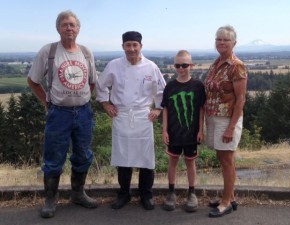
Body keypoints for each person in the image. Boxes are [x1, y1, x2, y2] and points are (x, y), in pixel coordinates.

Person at [27, 10, 98, 218]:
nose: (69, 28)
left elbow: (91, 81)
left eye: (72, 25)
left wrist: (81, 98)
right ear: (58, 28)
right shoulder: (48, 51)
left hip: (83, 113)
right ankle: (50, 199)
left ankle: (78, 193)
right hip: (58, 114)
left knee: (82, 154)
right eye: (65, 24)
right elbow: (33, 80)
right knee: (53, 157)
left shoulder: (86, 52)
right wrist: (46, 101)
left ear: (78, 29)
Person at [96, 31, 166, 210]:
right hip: (121, 115)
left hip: (143, 116)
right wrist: (106, 104)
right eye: (128, 45)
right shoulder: (114, 65)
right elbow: (101, 85)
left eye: (135, 45)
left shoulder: (151, 67)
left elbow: (161, 91)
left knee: (146, 158)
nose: (132, 49)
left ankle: (146, 194)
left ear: (140, 46)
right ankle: (124, 194)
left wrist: (158, 108)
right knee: (123, 157)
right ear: (123, 47)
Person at [204, 25, 247, 217]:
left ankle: (226, 202)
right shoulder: (216, 63)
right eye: (218, 39)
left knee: (227, 160)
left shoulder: (236, 65)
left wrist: (230, 127)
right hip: (213, 117)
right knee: (222, 158)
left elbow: (241, 99)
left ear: (234, 43)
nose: (221, 42)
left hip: (227, 119)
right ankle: (231, 196)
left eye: (226, 40)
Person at [161, 50, 206, 212]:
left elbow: (201, 110)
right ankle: (171, 192)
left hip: (191, 133)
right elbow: (165, 109)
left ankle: (192, 192)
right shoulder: (170, 86)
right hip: (173, 132)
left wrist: (201, 130)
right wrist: (164, 130)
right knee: (172, 162)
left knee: (190, 162)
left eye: (185, 65)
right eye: (178, 65)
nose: (181, 68)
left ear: (191, 66)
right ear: (174, 66)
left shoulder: (198, 86)